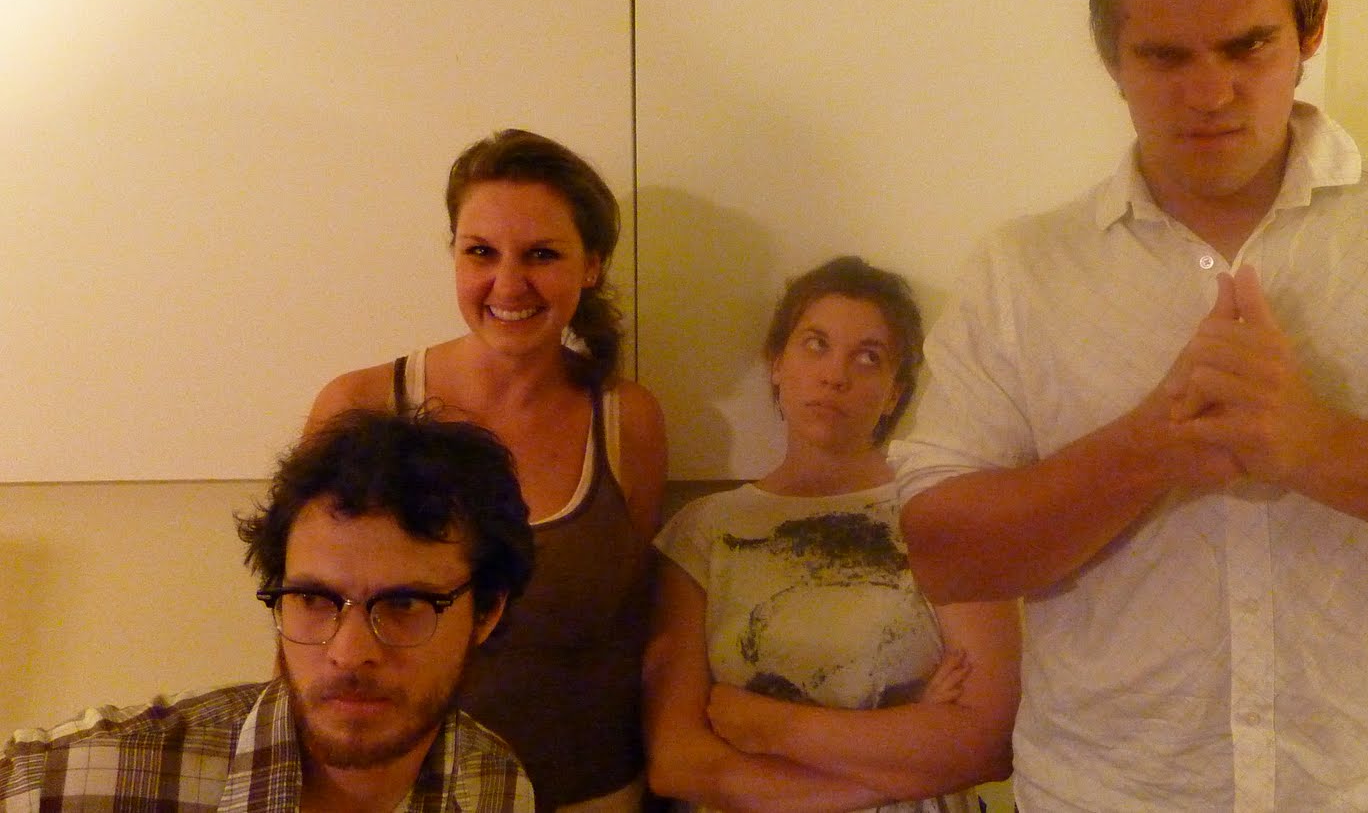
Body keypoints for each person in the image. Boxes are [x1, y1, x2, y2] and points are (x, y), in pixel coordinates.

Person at [891, 0, 1368, 809]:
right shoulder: (1021, 270)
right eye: (1164, 56)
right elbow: (945, 556)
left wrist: (1315, 445)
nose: (1209, 92)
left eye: (1248, 45)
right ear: (1111, 57)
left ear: (1310, 27)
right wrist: (1149, 448)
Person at [305, 130, 668, 813]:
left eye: (542, 254)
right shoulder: (358, 405)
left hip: (589, 793)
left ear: (591, 265)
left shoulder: (628, 421)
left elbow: (633, 625)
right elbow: (306, 622)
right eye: (481, 252)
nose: (508, 284)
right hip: (404, 798)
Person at [0, 409, 537, 812]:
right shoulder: (73, 783)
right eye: (313, 600)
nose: (348, 653)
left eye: (403, 604)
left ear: (486, 612)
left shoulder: (494, 785)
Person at [644, 256, 1021, 813]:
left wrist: (771, 725)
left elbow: (988, 744)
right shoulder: (703, 532)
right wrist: (901, 760)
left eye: (868, 357)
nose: (835, 376)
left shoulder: (945, 517)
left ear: (894, 393)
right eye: (816, 344)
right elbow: (678, 763)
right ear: (776, 363)